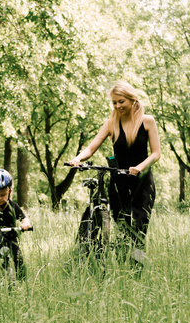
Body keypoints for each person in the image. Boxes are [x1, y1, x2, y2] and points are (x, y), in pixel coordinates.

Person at [68, 80, 161, 263]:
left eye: (121, 102)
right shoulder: (111, 124)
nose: (118, 106)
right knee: (123, 228)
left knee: (139, 230)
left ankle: (137, 269)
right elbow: (92, 147)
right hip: (119, 183)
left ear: (132, 100)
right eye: (114, 103)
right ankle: (121, 263)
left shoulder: (147, 121)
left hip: (142, 182)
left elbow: (156, 153)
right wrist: (78, 158)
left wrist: (140, 167)